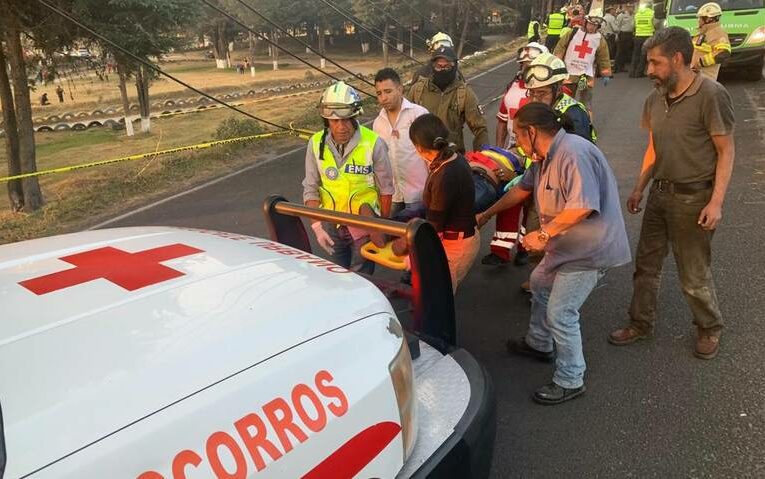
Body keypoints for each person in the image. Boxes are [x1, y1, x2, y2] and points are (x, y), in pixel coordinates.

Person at [476, 102, 631, 405]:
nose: (518, 144)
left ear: (532, 132)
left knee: (561, 312)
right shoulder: (543, 158)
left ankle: (571, 378)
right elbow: (521, 190)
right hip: (566, 246)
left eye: (519, 137)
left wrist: (544, 234)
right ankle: (539, 343)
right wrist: (486, 215)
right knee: (539, 282)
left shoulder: (574, 153)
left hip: (590, 249)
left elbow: (582, 206)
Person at [609, 27, 735, 360]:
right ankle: (640, 323)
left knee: (693, 274)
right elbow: (654, 147)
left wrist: (717, 201)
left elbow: (726, 150)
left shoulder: (711, 95)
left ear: (677, 59)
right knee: (646, 265)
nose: (648, 70)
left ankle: (709, 327)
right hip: (660, 195)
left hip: (694, 199)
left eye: (655, 63)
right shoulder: (655, 98)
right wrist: (639, 186)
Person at [302, 81, 395, 273]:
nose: (341, 127)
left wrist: (380, 226)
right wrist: (317, 227)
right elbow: (311, 188)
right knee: (336, 276)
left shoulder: (373, 143)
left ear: (355, 117)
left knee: (362, 279)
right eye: (334, 121)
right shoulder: (315, 143)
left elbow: (386, 189)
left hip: (363, 224)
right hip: (331, 223)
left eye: (346, 120)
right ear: (326, 120)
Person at [396, 114, 480, 292]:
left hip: (455, 244)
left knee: (438, 299)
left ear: (418, 147)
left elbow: (434, 227)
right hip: (463, 237)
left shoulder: (444, 175)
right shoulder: (454, 158)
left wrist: (407, 247)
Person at [372, 68, 429, 221]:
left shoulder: (419, 115)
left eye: (388, 91)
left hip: (419, 194)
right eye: (379, 93)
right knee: (392, 240)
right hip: (393, 196)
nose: (383, 98)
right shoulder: (378, 123)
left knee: (418, 239)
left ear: (400, 89)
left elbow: (432, 157)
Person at [409, 45, 489, 152]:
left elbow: (480, 129)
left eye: (447, 67)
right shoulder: (417, 90)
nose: (442, 70)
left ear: (455, 66)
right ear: (432, 66)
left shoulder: (464, 93)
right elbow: (404, 121)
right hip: (421, 157)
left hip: (452, 158)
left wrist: (481, 158)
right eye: (438, 66)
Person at [525, 52, 595, 143]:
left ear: (558, 89)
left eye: (541, 93)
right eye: (531, 92)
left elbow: (578, 153)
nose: (534, 99)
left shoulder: (574, 115)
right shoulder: (539, 110)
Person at [554, 11, 612, 110]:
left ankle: (585, 122)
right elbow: (560, 48)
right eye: (590, 24)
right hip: (569, 74)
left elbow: (604, 57)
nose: (592, 27)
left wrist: (606, 74)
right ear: (585, 22)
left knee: (585, 102)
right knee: (564, 100)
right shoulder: (573, 33)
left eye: (595, 25)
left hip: (586, 75)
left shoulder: (599, 39)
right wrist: (556, 65)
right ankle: (561, 121)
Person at [691, 2, 731, 80]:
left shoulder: (718, 33)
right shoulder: (704, 32)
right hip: (697, 77)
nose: (698, 20)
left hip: (706, 80)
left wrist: (700, 62)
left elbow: (723, 53)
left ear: (709, 19)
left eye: (701, 18)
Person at [630, 1, 656, 78]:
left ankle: (632, 72)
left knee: (635, 54)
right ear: (650, 6)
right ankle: (639, 73)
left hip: (638, 36)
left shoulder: (637, 14)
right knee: (644, 55)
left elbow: (633, 25)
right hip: (648, 36)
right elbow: (654, 24)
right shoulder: (652, 13)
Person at [614, 5, 635, 73]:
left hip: (630, 34)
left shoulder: (634, 15)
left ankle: (622, 67)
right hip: (623, 34)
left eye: (632, 7)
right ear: (627, 8)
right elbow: (617, 25)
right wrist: (617, 35)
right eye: (630, 7)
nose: (632, 8)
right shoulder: (622, 15)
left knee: (625, 51)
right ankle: (616, 67)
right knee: (620, 51)